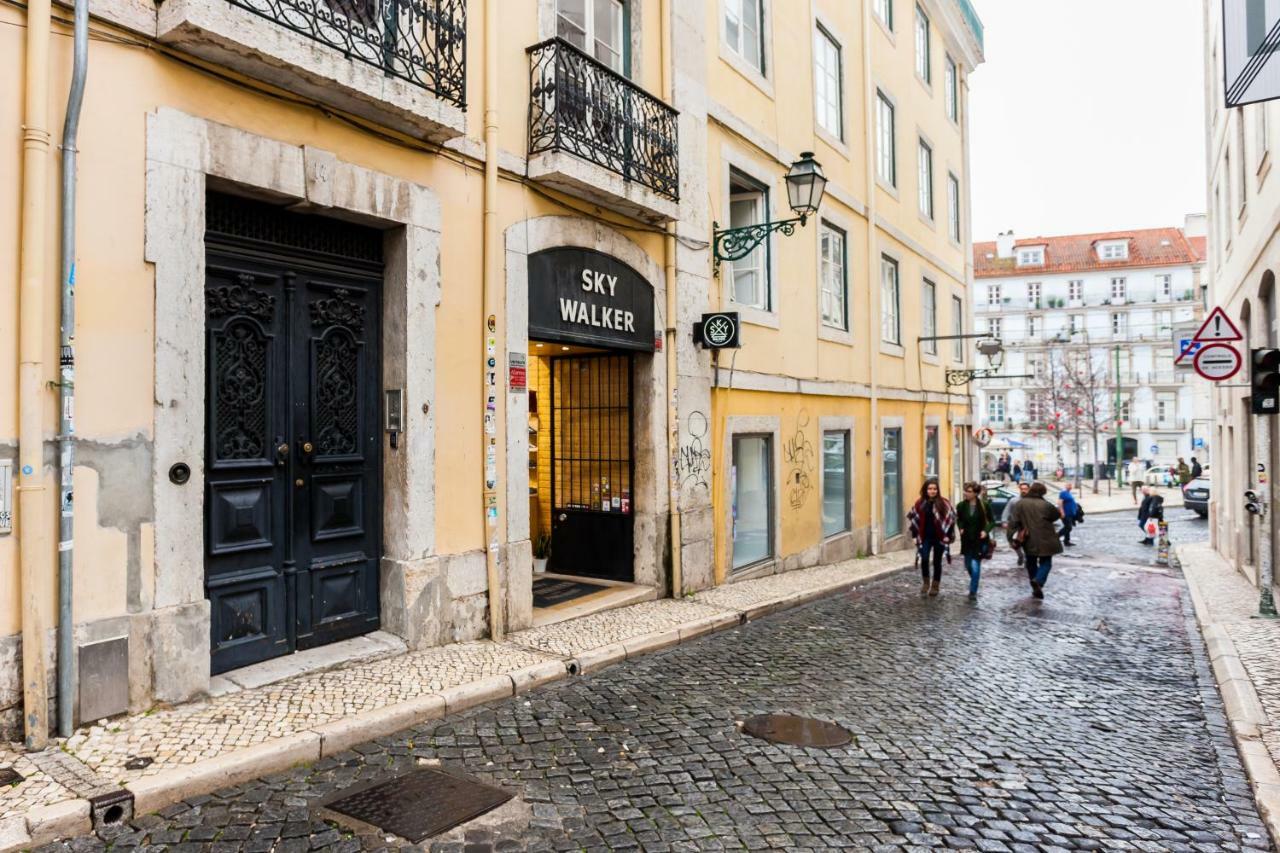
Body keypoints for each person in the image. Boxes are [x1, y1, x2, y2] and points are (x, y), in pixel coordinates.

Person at [1008, 482, 1063, 599]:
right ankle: (1038, 581)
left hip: (1028, 538)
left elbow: (1014, 521)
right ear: (1042, 492)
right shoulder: (1046, 505)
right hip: (1046, 538)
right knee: (1046, 561)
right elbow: (1056, 516)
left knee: (1031, 561)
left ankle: (1035, 584)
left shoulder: (1020, 504)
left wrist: (1010, 537)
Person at [907, 478, 956, 597]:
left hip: (939, 537)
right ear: (926, 490)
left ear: (937, 490)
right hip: (925, 537)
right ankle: (925, 582)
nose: (932, 491)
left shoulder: (944, 503)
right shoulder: (920, 503)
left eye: (934, 489)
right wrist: (914, 536)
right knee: (924, 558)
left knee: (937, 561)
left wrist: (947, 536)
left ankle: (935, 585)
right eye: (930, 489)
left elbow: (950, 520)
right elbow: (914, 520)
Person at [956, 482, 996, 602]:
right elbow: (960, 519)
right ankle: (975, 579)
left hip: (980, 539)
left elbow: (992, 521)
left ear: (975, 493)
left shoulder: (984, 505)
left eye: (969, 491)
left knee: (975, 564)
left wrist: (985, 531)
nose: (966, 493)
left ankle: (973, 591)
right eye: (965, 491)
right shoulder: (961, 506)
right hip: (967, 539)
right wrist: (961, 527)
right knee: (968, 565)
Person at [1002, 481, 1031, 567]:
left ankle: (1027, 559)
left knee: (1028, 543)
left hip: (1028, 525)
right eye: (1022, 489)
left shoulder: (1032, 500)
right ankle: (1020, 555)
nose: (1023, 491)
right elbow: (1006, 511)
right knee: (1013, 542)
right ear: (1019, 489)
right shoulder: (1014, 500)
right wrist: (1004, 521)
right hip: (1015, 525)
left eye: (1025, 489)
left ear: (1029, 489)